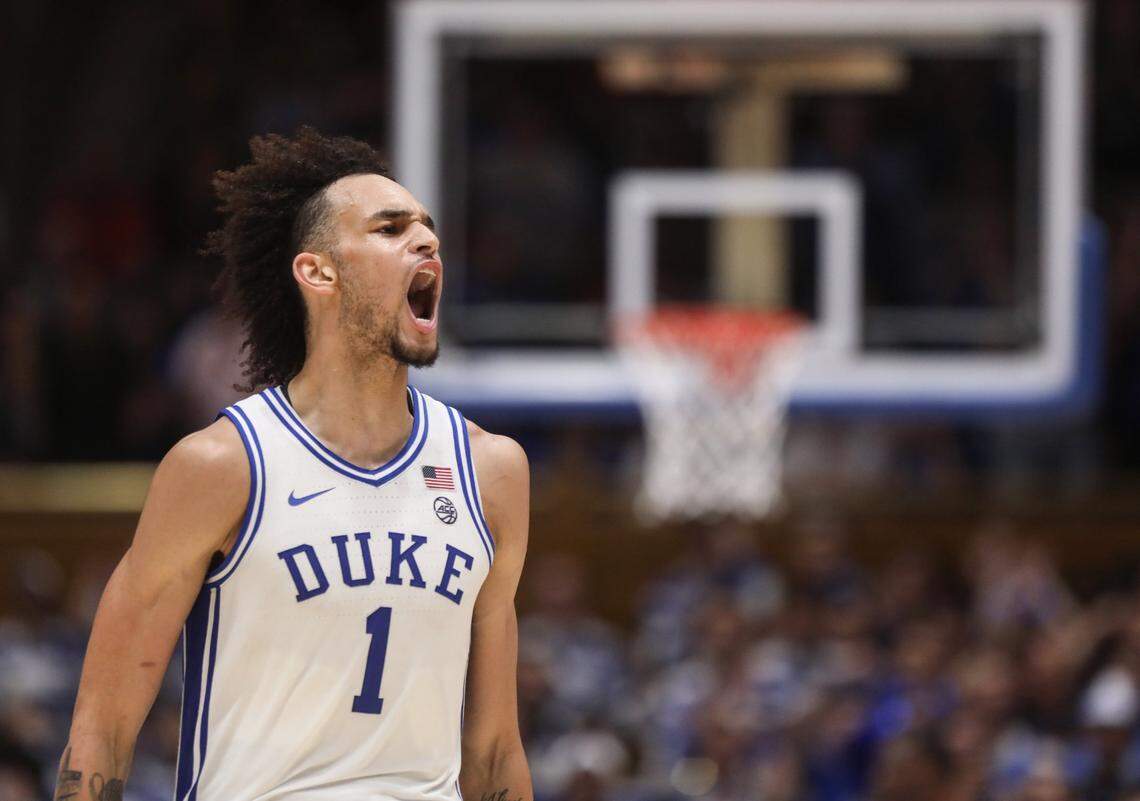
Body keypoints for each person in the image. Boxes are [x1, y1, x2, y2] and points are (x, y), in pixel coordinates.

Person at [54, 128, 533, 801]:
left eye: (427, 229)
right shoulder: (222, 465)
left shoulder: (491, 471)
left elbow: (492, 751)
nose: (425, 242)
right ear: (318, 271)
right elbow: (103, 727)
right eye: (391, 228)